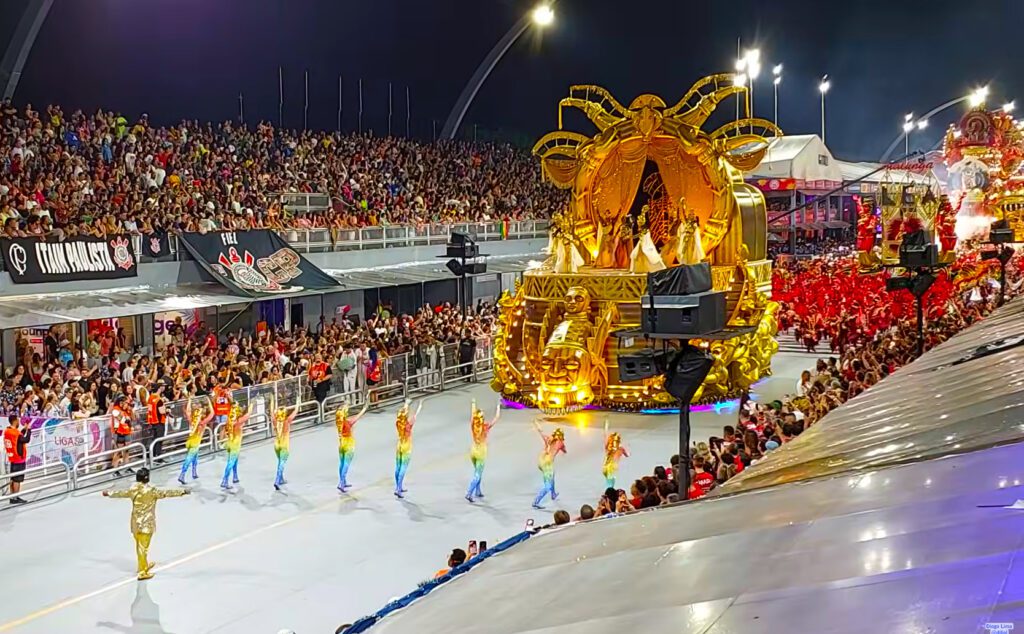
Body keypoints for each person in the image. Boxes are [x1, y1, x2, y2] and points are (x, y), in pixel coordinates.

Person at [103, 467, 189, 580]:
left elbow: (120, 493)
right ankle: (142, 572)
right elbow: (166, 493)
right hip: (146, 524)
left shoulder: (133, 490)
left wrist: (108, 493)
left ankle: (142, 565)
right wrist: (182, 491)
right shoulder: (152, 491)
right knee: (143, 548)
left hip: (135, 523)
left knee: (139, 546)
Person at [465, 400, 500, 502]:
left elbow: (472, 415)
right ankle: (469, 493)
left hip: (473, 451)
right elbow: (496, 418)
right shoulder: (485, 427)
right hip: (480, 452)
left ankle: (478, 491)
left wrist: (473, 404)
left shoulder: (473, 425)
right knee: (478, 473)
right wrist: (498, 407)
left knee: (477, 470)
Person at [531, 422, 567, 509]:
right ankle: (536, 502)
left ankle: (553, 494)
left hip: (541, 460)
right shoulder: (560, 443)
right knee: (548, 486)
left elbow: (541, 432)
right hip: (548, 463)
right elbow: (564, 451)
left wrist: (537, 425)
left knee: (552, 475)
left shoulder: (548, 439)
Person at [335, 401, 369, 491]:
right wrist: (364, 409)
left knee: (342, 463)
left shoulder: (339, 422)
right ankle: (341, 483)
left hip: (342, 443)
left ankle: (343, 481)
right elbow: (356, 418)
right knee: (346, 463)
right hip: (348, 443)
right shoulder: (347, 423)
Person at [178, 398, 214, 485]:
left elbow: (188, 411)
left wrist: (189, 400)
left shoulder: (191, 420)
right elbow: (212, 413)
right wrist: (209, 402)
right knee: (189, 458)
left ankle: (194, 472)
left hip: (189, 441)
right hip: (195, 442)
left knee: (195, 456)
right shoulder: (202, 422)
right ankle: (182, 474)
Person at [393, 399, 423, 498]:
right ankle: (398, 488)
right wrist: (419, 406)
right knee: (403, 468)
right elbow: (415, 414)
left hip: (399, 444)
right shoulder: (409, 423)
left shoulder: (398, 423)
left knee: (398, 466)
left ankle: (398, 486)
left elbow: (402, 414)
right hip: (406, 446)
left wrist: (406, 404)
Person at [220, 402, 251, 489]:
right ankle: (224, 480)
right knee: (231, 462)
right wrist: (251, 404)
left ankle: (235, 476)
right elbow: (248, 414)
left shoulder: (229, 420)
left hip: (230, 442)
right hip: (235, 444)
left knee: (234, 460)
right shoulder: (239, 421)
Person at [3, 415, 31, 504]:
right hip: (19, 459)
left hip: (12, 458)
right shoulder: (15, 433)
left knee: (13, 478)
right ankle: (15, 497)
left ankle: (12, 497)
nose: (19, 422)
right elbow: (25, 439)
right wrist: (29, 430)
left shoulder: (8, 431)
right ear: (15, 421)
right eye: (18, 420)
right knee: (17, 480)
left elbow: (19, 438)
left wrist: (24, 429)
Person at [272, 403, 298, 491]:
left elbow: (271, 413)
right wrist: (297, 404)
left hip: (276, 444)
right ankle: (277, 480)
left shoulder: (275, 421)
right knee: (282, 463)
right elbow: (295, 412)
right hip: (284, 444)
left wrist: (272, 404)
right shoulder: (287, 421)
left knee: (279, 461)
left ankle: (281, 478)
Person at [110, 394, 134, 475]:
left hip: (127, 432)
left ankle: (127, 467)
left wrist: (131, 410)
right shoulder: (115, 410)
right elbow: (123, 420)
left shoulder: (126, 410)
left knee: (127, 450)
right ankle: (115, 470)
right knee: (118, 452)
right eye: (126, 402)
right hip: (118, 433)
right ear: (121, 402)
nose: (127, 404)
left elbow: (133, 419)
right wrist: (128, 419)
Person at [601, 421, 629, 488]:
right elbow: (627, 455)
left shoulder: (609, 448)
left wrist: (606, 425)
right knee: (611, 484)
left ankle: (609, 494)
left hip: (605, 467)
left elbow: (605, 437)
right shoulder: (621, 448)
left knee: (609, 482)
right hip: (613, 467)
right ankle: (610, 495)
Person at [145, 384, 168, 458]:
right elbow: (161, 412)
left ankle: (154, 455)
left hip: (152, 421)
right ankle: (158, 457)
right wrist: (167, 410)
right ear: (158, 389)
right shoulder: (159, 400)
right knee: (159, 439)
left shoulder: (150, 398)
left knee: (155, 439)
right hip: (159, 422)